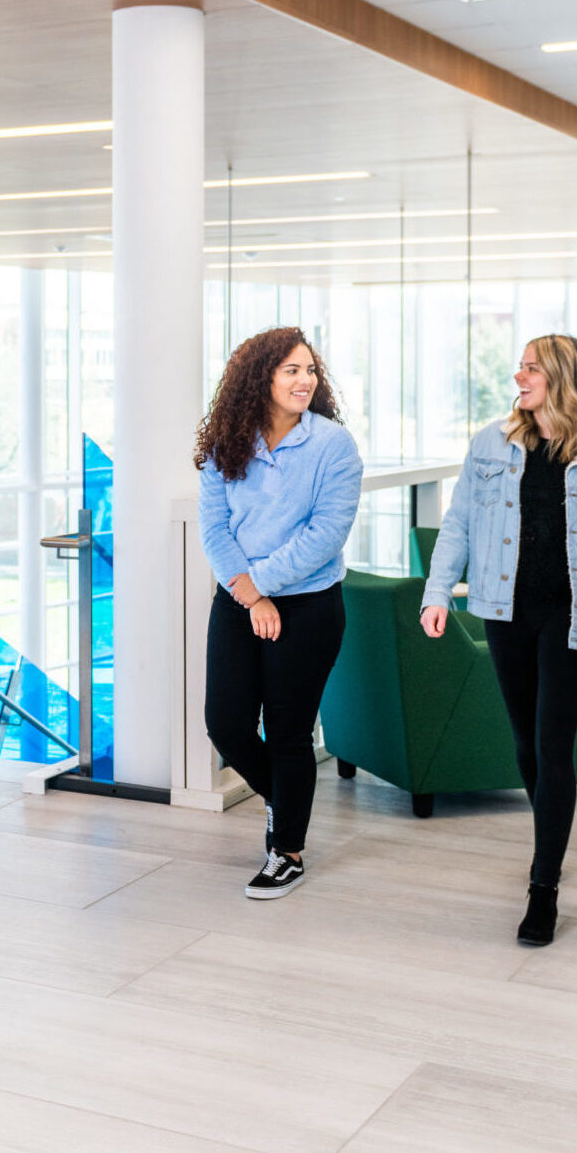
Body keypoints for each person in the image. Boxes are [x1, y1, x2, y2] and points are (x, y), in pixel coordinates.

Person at [420, 335, 577, 946]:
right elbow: (461, 523)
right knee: (525, 744)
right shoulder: (491, 445)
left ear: (561, 377)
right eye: (521, 365)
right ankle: (552, 826)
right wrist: (438, 591)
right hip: (505, 610)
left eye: (530, 367)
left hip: (576, 619)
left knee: (553, 746)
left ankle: (543, 886)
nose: (517, 375)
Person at [196, 327, 363, 900]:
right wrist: (251, 595)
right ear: (259, 378)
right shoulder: (227, 441)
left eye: (310, 370)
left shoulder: (332, 445)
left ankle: (285, 850)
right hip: (240, 601)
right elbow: (214, 529)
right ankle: (287, 801)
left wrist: (262, 585)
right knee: (227, 723)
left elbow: (327, 533)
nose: (304, 380)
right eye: (291, 369)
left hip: (310, 605)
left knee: (290, 733)